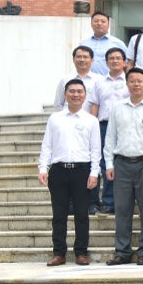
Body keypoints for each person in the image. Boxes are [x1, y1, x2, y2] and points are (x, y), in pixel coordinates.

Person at [104, 68, 143, 266]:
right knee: (122, 210)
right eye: (132, 81)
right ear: (127, 83)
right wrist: (109, 163)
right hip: (122, 163)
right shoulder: (117, 108)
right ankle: (122, 251)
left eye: (140, 81)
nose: (136, 84)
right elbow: (110, 136)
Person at [38, 79, 101, 266]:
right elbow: (47, 145)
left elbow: (95, 150)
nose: (75, 94)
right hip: (58, 171)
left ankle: (81, 252)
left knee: (82, 215)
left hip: (82, 171)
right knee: (59, 215)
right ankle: (59, 253)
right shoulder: (55, 118)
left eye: (79, 91)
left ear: (85, 95)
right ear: (65, 94)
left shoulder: (91, 120)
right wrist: (43, 168)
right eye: (72, 91)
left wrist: (94, 173)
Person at [87, 47, 129, 214]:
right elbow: (95, 105)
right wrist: (92, 127)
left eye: (118, 58)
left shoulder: (130, 81)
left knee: (124, 163)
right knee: (105, 164)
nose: (115, 61)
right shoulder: (99, 82)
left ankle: (124, 201)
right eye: (111, 58)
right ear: (106, 62)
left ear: (124, 62)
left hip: (125, 127)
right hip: (104, 126)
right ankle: (109, 202)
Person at [80, 11, 127, 76]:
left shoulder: (118, 43)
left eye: (103, 21)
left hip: (109, 80)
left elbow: (126, 64)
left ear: (108, 24)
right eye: (96, 21)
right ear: (91, 24)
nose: (99, 23)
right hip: (87, 79)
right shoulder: (83, 43)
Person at [53, 46, 97, 112]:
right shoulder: (65, 80)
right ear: (73, 59)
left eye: (85, 57)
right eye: (79, 57)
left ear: (92, 60)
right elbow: (58, 104)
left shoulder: (99, 80)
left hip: (89, 118)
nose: (82, 60)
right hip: (67, 117)